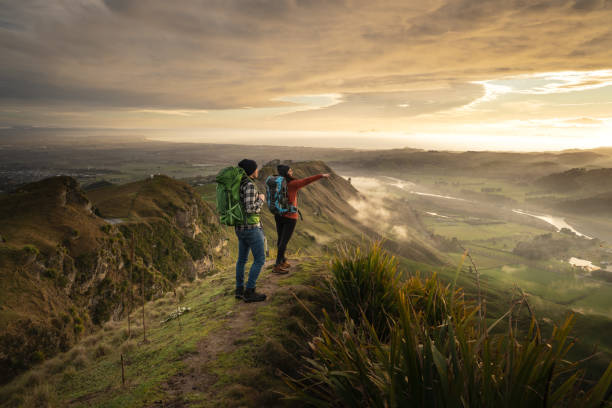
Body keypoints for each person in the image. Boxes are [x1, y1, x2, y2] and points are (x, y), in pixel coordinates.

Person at [273, 165, 329, 274]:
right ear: (287, 173)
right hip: (290, 216)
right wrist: (321, 175)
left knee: (280, 239)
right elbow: (307, 180)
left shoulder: (276, 182)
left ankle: (282, 260)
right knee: (284, 242)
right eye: (290, 170)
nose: (292, 171)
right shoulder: (293, 184)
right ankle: (277, 265)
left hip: (278, 214)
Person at [235, 159, 267, 302]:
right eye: (256, 168)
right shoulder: (249, 185)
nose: (257, 170)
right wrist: (261, 199)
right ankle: (249, 291)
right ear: (251, 171)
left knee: (242, 260)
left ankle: (239, 289)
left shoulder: (238, 183)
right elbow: (250, 208)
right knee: (260, 259)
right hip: (251, 229)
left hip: (240, 227)